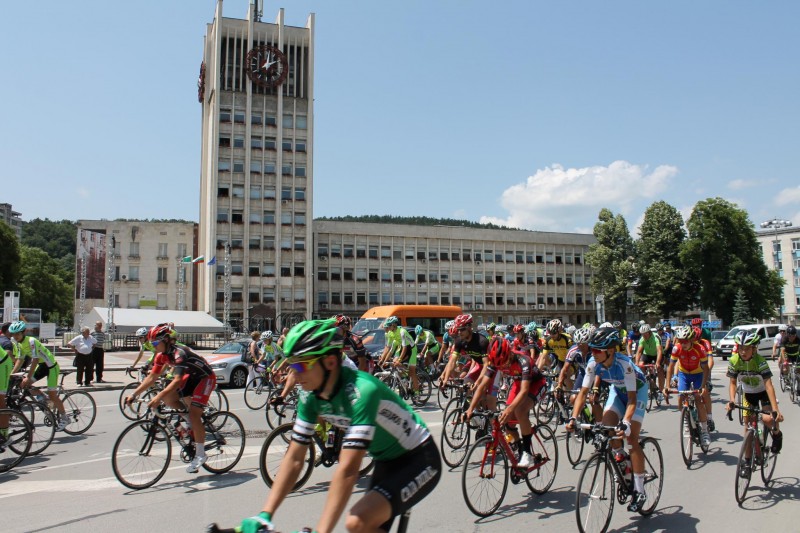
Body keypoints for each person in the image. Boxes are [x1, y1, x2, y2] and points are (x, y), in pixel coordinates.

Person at [237, 319, 441, 533]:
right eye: (292, 366)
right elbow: (295, 457)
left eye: (301, 365)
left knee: (357, 521)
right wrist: (265, 515)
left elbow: (347, 471)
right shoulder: (310, 396)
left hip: (419, 458)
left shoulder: (362, 392)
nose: (295, 375)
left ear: (330, 363)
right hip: (384, 460)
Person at [566, 326, 649, 512]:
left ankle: (640, 489)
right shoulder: (593, 363)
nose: (593, 353)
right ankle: (622, 459)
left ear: (610, 351)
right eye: (592, 349)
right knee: (607, 427)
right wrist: (573, 418)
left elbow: (632, 399)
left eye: (597, 350)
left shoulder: (625, 365)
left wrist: (626, 422)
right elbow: (583, 393)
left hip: (637, 393)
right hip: (617, 392)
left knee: (631, 438)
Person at [125, 323, 217, 473]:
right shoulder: (161, 356)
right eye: (151, 343)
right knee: (169, 399)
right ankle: (190, 424)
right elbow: (152, 376)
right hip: (191, 377)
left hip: (205, 378)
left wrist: (157, 398)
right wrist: (134, 394)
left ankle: (200, 454)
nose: (153, 346)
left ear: (166, 340)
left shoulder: (179, 353)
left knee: (194, 414)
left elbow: (177, 381)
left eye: (155, 343)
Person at [466, 337, 546, 467]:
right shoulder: (495, 362)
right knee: (507, 421)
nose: (502, 365)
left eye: (504, 361)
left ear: (510, 352)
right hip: (517, 384)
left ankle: (527, 453)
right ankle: (520, 450)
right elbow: (482, 386)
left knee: (519, 411)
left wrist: (510, 409)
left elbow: (525, 391)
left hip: (535, 384)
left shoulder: (523, 360)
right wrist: (470, 409)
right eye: (499, 364)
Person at [726, 329, 783, 478]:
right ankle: (747, 462)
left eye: (746, 348)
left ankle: (777, 435)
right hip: (748, 394)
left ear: (754, 349)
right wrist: (732, 400)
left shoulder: (760, 362)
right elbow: (732, 383)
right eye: (740, 348)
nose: (743, 352)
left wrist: (775, 410)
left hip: (763, 392)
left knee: (767, 419)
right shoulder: (734, 361)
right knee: (748, 426)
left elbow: (769, 385)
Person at [9, 321, 68, 431]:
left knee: (53, 395)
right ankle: (44, 398)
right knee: (23, 385)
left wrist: (28, 376)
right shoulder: (18, 344)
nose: (15, 336)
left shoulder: (31, 341)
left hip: (51, 367)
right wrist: (11, 373)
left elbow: (35, 360)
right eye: (13, 334)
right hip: (42, 366)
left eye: (17, 334)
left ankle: (65, 417)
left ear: (23, 332)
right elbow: (20, 360)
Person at [663, 325, 712, 446]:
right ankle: (686, 420)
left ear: (691, 340)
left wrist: (703, 385)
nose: (682, 344)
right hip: (684, 374)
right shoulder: (677, 348)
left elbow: (706, 369)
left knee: (698, 399)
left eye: (685, 341)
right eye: (680, 341)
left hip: (698, 374)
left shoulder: (699, 349)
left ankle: (705, 430)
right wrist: (667, 386)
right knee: (681, 397)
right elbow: (670, 367)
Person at [377, 316, 419, 396]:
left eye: (389, 325)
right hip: (401, 347)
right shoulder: (390, 333)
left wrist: (399, 360)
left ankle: (417, 392)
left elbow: (405, 347)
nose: (388, 327)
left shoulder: (402, 331)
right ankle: (404, 377)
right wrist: (383, 360)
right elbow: (388, 348)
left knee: (411, 371)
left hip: (411, 349)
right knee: (393, 363)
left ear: (394, 325)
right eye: (388, 325)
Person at [634, 324, 664, 403]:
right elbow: (639, 352)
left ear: (649, 332)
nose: (644, 336)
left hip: (657, 354)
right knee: (640, 365)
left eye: (645, 334)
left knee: (659, 369)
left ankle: (661, 391)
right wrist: (636, 363)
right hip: (647, 354)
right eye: (642, 334)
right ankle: (648, 379)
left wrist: (657, 363)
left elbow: (659, 351)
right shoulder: (642, 339)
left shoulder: (656, 337)